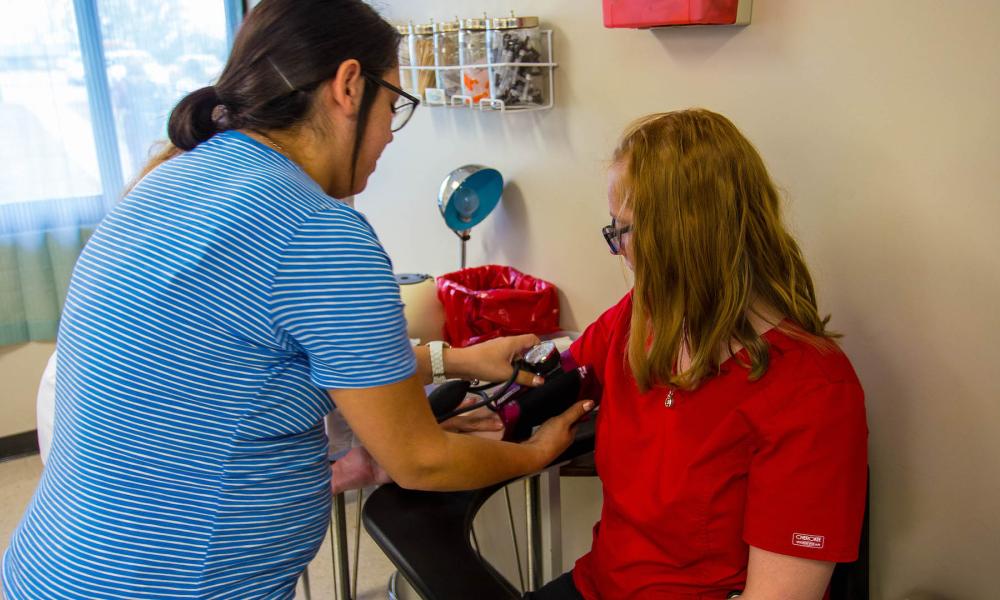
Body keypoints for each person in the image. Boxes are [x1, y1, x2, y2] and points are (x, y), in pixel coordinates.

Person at [1, 1, 591, 598]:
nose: (390, 133)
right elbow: (422, 460)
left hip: (52, 566)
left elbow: (251, 361)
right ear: (349, 85)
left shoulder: (176, 177)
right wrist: (535, 454)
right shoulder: (316, 229)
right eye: (395, 107)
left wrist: (460, 359)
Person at [528, 109, 868, 599]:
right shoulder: (640, 317)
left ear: (683, 239)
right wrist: (477, 410)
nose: (618, 249)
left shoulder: (813, 392)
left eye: (623, 230)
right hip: (600, 585)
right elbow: (558, 376)